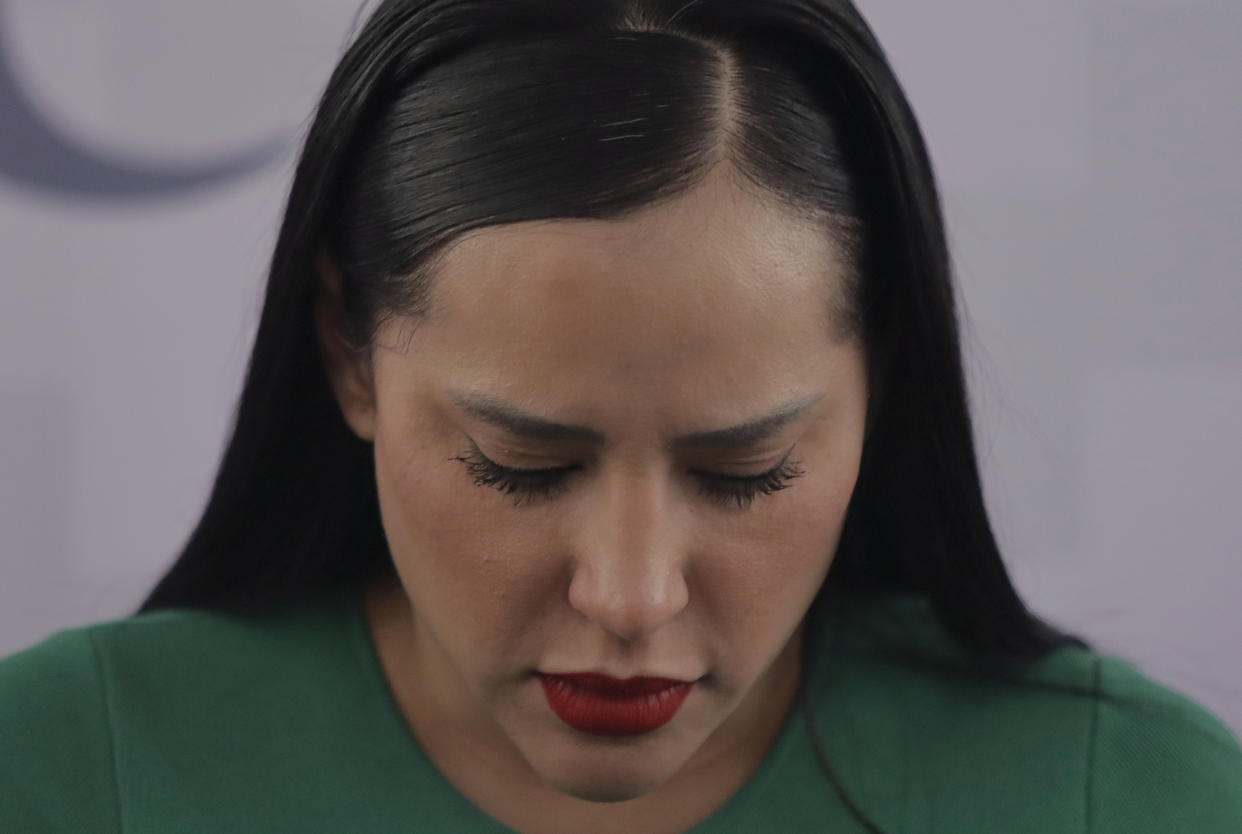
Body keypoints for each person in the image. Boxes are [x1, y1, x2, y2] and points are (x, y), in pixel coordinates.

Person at [2, 0, 1240, 831]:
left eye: (748, 469)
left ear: (881, 382)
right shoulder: (65, 775)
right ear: (349, 351)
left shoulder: (1122, 800)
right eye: (520, 463)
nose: (632, 595)